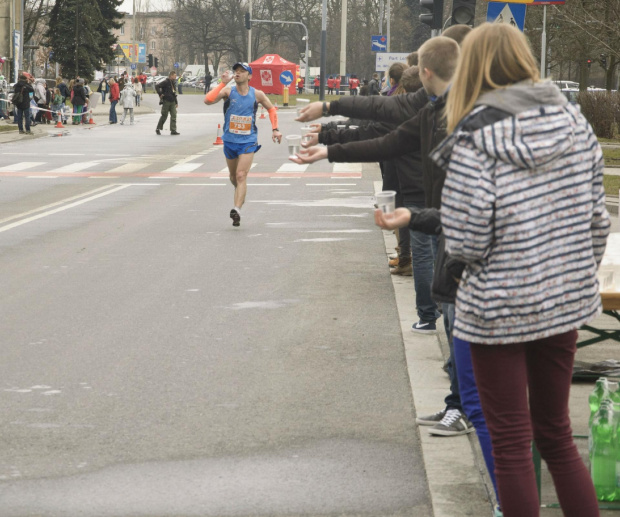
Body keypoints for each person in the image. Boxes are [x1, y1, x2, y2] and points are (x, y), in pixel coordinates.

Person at [439, 23, 607, 517]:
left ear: (473, 67)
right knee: (557, 434)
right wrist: (572, 272)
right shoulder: (577, 125)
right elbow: (598, 220)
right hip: (563, 303)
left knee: (511, 441)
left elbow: (466, 240)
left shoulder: (474, 138)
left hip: (497, 309)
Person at [204, 62, 282, 227]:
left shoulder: (257, 94)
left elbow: (271, 109)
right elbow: (208, 100)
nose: (238, 73)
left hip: (248, 141)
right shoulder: (228, 92)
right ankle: (240, 192)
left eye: (242, 71)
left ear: (249, 76)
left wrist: (275, 129)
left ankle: (237, 209)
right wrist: (223, 82)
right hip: (230, 141)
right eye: (236, 71)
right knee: (233, 177)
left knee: (241, 175)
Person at [155, 71, 180, 135]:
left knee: (174, 115)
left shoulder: (173, 83)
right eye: (174, 75)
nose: (175, 76)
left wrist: (176, 102)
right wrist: (160, 94)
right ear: (171, 76)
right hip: (166, 101)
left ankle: (173, 130)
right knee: (164, 116)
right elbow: (157, 86)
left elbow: (174, 93)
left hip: (172, 101)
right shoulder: (166, 82)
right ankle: (158, 128)